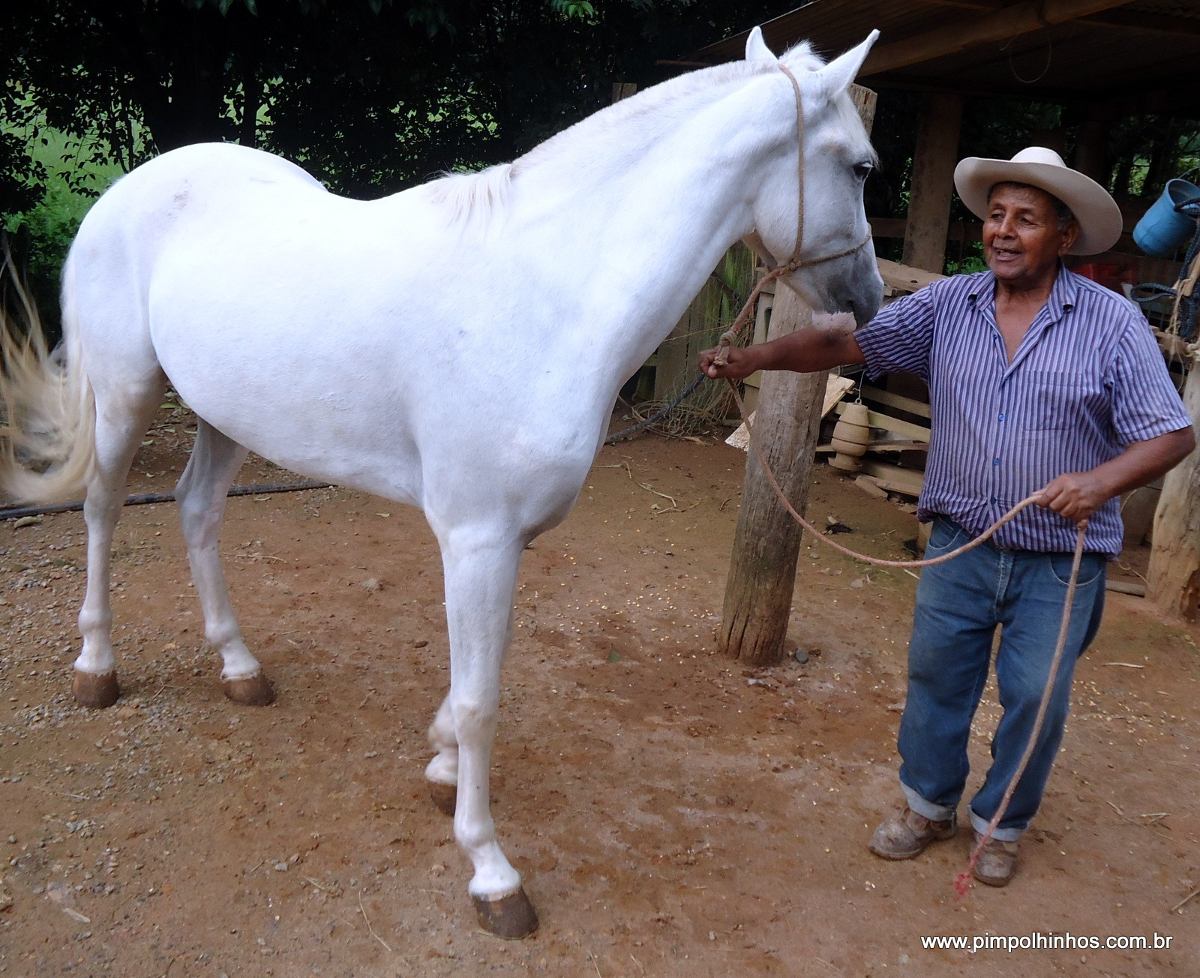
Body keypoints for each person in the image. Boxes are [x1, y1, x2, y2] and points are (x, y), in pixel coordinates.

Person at [700, 147, 1195, 886]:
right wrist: (755, 359)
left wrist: (1098, 483)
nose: (1003, 230)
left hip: (1062, 557)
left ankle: (1001, 823)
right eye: (996, 215)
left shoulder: (1112, 323)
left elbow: (1171, 432)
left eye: (1025, 219)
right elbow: (843, 340)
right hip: (961, 542)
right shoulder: (947, 307)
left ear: (1063, 236)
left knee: (1036, 695)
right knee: (937, 679)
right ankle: (927, 805)